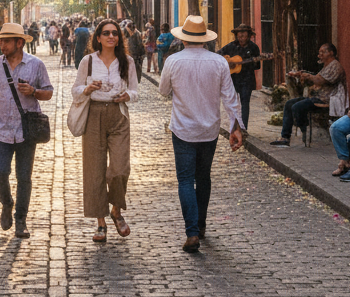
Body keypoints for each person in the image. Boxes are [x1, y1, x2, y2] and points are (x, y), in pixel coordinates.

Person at [158, 14, 245, 252]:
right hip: (209, 130)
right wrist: (237, 128)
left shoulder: (173, 61)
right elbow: (230, 97)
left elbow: (163, 91)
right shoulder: (218, 62)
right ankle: (201, 225)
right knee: (203, 176)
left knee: (185, 179)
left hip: (183, 129)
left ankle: (192, 232)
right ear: (205, 40)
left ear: (184, 39)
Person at [0, 22, 54, 238]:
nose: (2, 44)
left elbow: (48, 93)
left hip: (25, 131)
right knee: (0, 173)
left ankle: (21, 220)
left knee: (24, 177)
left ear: (19, 43)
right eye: (0, 40)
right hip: (0, 129)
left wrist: (34, 91)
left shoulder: (36, 65)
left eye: (6, 41)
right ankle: (6, 202)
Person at [72, 19, 139, 243]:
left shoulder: (127, 61)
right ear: (98, 37)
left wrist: (127, 96)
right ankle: (100, 222)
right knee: (94, 171)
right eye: (106, 33)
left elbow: (135, 91)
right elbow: (76, 90)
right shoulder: (88, 62)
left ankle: (116, 210)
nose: (111, 36)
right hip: (94, 115)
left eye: (115, 33)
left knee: (120, 168)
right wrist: (88, 88)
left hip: (118, 116)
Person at [271, 43, 347, 147]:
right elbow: (316, 78)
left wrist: (308, 76)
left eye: (322, 52)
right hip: (317, 97)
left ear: (331, 53)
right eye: (319, 52)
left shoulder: (335, 66)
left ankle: (304, 129)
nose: (319, 55)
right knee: (289, 104)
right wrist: (301, 75)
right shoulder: (326, 66)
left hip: (326, 99)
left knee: (297, 107)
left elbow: (319, 80)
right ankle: (285, 137)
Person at [218, 23, 263, 130]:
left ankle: (243, 128)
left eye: (244, 36)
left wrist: (253, 61)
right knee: (232, 103)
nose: (241, 38)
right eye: (239, 36)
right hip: (233, 79)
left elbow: (257, 66)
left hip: (247, 79)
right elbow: (218, 54)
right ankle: (234, 126)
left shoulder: (253, 48)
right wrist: (228, 61)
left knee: (245, 103)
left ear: (249, 36)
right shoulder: (231, 46)